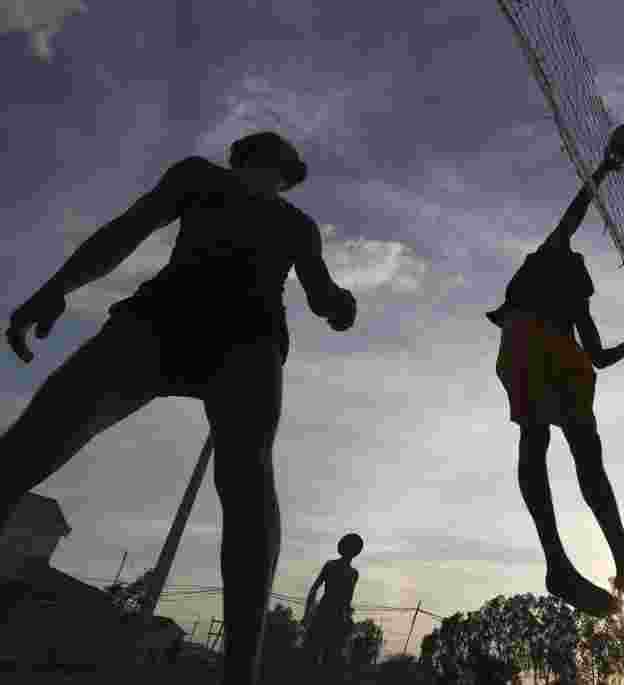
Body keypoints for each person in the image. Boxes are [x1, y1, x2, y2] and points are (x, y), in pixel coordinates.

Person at [2, 131, 357, 685]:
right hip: (160, 322)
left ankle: (241, 667)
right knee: (34, 440)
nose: (264, 177)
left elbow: (322, 294)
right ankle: (242, 669)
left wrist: (340, 306)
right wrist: (58, 285)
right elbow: (124, 233)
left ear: (284, 180)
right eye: (259, 164)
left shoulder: (294, 226)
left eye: (276, 172)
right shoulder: (199, 179)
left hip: (244, 344)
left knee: (247, 474)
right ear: (242, 161)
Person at [487, 151, 624, 618]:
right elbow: (574, 214)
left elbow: (596, 356)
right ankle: (556, 561)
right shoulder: (553, 254)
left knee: (586, 451)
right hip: (529, 339)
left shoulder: (578, 303)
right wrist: (601, 170)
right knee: (534, 435)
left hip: (563, 355)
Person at [304, 533, 362, 667]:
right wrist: (308, 614)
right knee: (314, 656)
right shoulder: (332, 566)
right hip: (325, 614)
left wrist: (347, 620)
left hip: (336, 618)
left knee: (328, 659)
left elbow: (348, 600)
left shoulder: (352, 573)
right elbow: (314, 589)